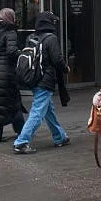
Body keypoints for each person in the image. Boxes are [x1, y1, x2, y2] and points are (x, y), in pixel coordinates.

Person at [12, 11, 70, 154]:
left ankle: (59, 136)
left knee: (48, 110)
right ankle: (21, 142)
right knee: (37, 112)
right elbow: (57, 60)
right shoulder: (51, 39)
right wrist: (66, 68)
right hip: (45, 80)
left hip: (33, 78)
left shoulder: (31, 37)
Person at [0, 8, 25, 143]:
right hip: (6, 73)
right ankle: (21, 131)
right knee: (12, 102)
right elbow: (12, 51)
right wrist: (23, 54)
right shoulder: (10, 32)